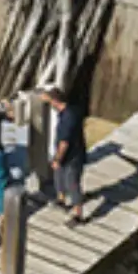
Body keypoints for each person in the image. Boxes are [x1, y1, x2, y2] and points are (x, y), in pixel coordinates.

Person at [39, 83, 86, 213]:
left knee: (72, 183)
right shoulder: (70, 110)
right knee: (59, 177)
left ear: (54, 100)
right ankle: (61, 200)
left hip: (72, 156)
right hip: (67, 153)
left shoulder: (68, 117)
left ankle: (78, 213)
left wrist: (57, 159)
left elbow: (64, 143)